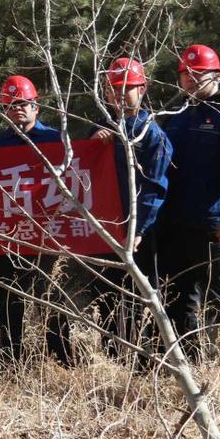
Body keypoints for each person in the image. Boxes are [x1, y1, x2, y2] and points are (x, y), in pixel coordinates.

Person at [0, 76, 73, 365]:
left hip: (48, 234)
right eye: (11, 105)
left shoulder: (57, 140)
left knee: (50, 296)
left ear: (36, 106)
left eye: (23, 103)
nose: (17, 109)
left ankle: (61, 358)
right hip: (8, 235)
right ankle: (12, 359)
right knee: (8, 298)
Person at [91, 57, 172, 357]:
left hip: (140, 231)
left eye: (126, 88)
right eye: (113, 89)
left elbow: (155, 186)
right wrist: (93, 142)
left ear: (142, 89)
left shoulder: (150, 133)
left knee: (142, 295)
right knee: (106, 294)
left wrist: (140, 228)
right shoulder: (102, 128)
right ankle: (113, 355)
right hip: (104, 228)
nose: (119, 95)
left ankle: (145, 358)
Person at [158, 45, 220, 359]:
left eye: (200, 73)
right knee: (179, 294)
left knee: (216, 295)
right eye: (186, 74)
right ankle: (188, 359)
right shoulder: (176, 115)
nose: (192, 79)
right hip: (174, 221)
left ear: (218, 74)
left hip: (212, 224)